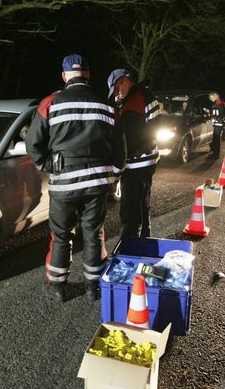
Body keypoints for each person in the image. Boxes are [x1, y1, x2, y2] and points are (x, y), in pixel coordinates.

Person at [25, 53, 126, 302]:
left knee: (61, 235)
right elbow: (119, 148)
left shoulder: (50, 103)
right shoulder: (106, 106)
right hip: (95, 185)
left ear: (64, 76)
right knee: (94, 233)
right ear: (89, 75)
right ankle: (93, 286)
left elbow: (33, 143)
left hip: (64, 185)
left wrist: (47, 164)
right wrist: (113, 174)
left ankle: (58, 287)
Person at [107, 68, 159, 238]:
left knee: (130, 211)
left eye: (116, 89)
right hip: (146, 160)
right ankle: (144, 242)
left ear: (125, 81)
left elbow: (129, 137)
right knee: (143, 205)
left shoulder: (136, 100)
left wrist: (122, 156)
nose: (117, 94)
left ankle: (128, 251)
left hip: (136, 162)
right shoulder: (142, 96)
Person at [208, 92, 225, 159]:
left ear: (215, 96)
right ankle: (214, 152)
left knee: (216, 139)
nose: (210, 99)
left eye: (211, 97)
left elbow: (221, 115)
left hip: (218, 124)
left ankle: (216, 154)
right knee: (215, 139)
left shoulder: (219, 104)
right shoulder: (217, 103)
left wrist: (215, 119)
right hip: (217, 124)